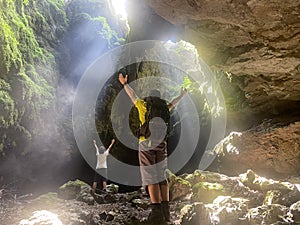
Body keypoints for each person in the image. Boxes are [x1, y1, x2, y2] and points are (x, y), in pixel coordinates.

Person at [118, 73, 186, 223]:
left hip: (146, 143)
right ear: (160, 98)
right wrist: (182, 94)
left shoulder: (144, 106)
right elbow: (174, 102)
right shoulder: (164, 108)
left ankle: (156, 212)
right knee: (161, 176)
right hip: (161, 144)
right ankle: (165, 211)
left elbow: (133, 96)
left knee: (150, 176)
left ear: (150, 98)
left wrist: (124, 84)